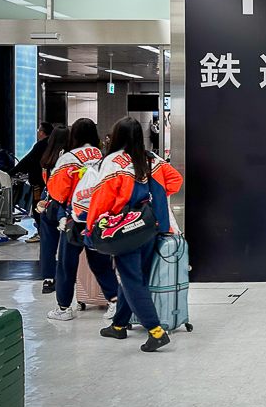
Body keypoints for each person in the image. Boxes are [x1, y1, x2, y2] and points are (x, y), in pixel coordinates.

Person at [89, 117, 183, 352]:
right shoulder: (152, 159)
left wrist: (92, 229)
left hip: (124, 229)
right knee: (134, 277)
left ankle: (156, 331)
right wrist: (153, 199)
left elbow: (101, 200)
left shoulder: (113, 162)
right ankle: (119, 325)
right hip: (151, 227)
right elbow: (176, 180)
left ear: (117, 136)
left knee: (131, 279)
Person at [45, 118, 119, 321]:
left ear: (73, 135)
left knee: (66, 265)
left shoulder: (67, 158)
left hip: (73, 219)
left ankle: (63, 308)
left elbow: (59, 192)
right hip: (98, 218)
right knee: (101, 262)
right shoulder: (102, 156)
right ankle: (114, 302)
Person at [34, 126, 70, 293]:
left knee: (47, 244)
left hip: (48, 204)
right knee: (67, 245)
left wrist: (42, 201)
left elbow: (47, 185)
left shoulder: (46, 158)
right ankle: (67, 278)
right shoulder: (69, 159)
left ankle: (48, 279)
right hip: (65, 205)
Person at [13, 122, 53, 239]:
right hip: (49, 183)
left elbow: (29, 159)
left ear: (42, 132)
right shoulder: (52, 145)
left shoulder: (41, 145)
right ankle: (44, 231)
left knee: (37, 206)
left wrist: (13, 171)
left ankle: (41, 233)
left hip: (39, 183)